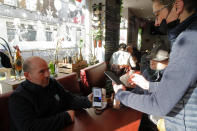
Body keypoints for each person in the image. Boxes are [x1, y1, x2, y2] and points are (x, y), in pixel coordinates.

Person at [113, 0, 197, 130]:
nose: (156, 22)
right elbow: (180, 88)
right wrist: (148, 85)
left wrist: (120, 94)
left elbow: (158, 105)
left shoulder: (189, 40)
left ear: (178, 6)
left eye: (157, 15)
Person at [9, 56, 92, 131]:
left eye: (48, 69)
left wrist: (87, 100)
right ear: (27, 75)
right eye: (42, 72)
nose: (48, 74)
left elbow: (68, 99)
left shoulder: (51, 83)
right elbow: (29, 127)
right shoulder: (18, 97)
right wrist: (66, 117)